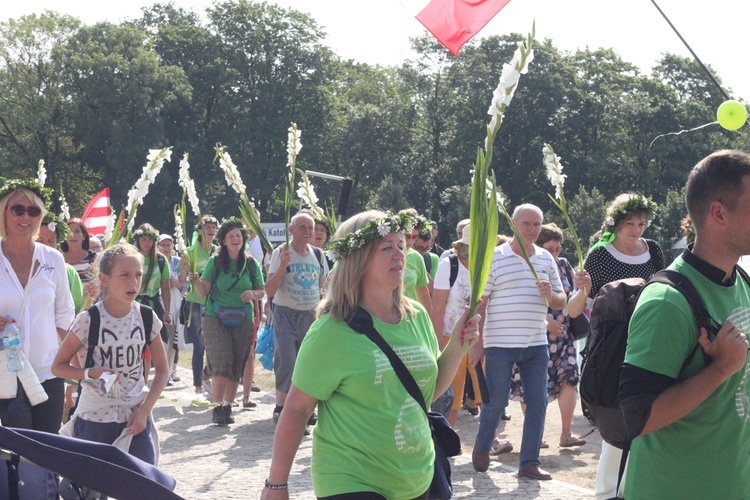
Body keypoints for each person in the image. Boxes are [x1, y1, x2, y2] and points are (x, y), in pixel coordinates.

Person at [261, 210, 479, 499]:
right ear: (358, 260)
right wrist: (276, 484)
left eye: (401, 246)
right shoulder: (331, 331)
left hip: (416, 477)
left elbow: (430, 390)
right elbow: (297, 408)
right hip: (352, 480)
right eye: (386, 248)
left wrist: (459, 343)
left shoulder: (418, 318)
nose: (399, 255)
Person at [618, 150, 750, 498]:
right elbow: (637, 418)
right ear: (719, 213)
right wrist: (721, 368)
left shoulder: (742, 282)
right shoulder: (667, 301)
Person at [576, 192, 663, 499]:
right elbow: (578, 309)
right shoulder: (600, 254)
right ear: (615, 222)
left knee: (647, 412)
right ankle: (607, 491)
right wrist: (581, 288)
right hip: (612, 344)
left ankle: (635, 487)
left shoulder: (652, 249)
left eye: (642, 223)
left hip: (650, 335)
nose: (637, 229)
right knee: (616, 417)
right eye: (630, 223)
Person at [470, 204, 566, 480]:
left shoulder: (547, 258)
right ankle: (483, 443)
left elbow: (560, 301)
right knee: (496, 401)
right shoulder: (495, 257)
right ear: (513, 225)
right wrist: (477, 341)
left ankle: (529, 462)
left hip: (535, 343)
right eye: (526, 224)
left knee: (538, 401)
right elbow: (481, 303)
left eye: (537, 224)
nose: (532, 230)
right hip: (499, 342)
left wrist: (550, 295)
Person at [52, 243, 168, 464]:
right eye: (124, 275)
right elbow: (58, 366)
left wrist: (144, 410)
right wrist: (91, 373)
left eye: (138, 275)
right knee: (94, 490)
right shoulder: (88, 319)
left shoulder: (146, 317)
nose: (133, 282)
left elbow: (162, 370)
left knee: (144, 484)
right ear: (104, 279)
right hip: (95, 418)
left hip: (134, 417)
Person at [0, 178, 75, 433]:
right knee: (14, 454)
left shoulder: (53, 259)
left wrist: (75, 366)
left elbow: (65, 314)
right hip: (4, 374)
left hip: (47, 371)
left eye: (33, 211)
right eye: (17, 209)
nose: (26, 217)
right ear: (4, 212)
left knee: (47, 449)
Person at [508, 223, 591, 448]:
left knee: (570, 378)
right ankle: (537, 434)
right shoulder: (527, 265)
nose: (555, 254)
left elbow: (572, 301)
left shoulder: (564, 266)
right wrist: (546, 322)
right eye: (550, 249)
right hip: (533, 337)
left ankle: (566, 434)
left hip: (564, 338)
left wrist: (582, 290)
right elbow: (519, 301)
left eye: (558, 249)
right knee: (531, 386)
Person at [193, 218, 265, 425]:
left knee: (237, 362)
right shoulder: (214, 262)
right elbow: (203, 291)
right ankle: (217, 406)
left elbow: (262, 291)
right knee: (222, 359)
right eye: (231, 235)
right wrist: (195, 281)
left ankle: (227, 406)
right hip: (215, 317)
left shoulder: (251, 263)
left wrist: (253, 293)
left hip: (243, 318)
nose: (236, 238)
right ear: (223, 241)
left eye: (239, 235)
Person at [265, 212, 328, 424]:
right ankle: (281, 407)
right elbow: (270, 289)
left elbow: (323, 287)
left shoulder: (318, 255)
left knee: (308, 363)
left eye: (310, 228)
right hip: (285, 315)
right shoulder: (280, 252)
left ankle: (306, 408)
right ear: (291, 230)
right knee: (286, 360)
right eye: (302, 227)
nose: (307, 232)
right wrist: (282, 266)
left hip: (310, 316)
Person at [431, 224, 485, 427]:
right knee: (452, 395)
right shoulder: (449, 265)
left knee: (485, 391)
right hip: (449, 337)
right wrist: (438, 345)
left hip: (477, 338)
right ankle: (448, 438)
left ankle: (491, 440)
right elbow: (438, 308)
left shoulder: (485, 267)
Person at [178, 215, 218, 394]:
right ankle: (198, 386)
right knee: (200, 346)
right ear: (199, 231)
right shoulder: (190, 250)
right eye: (207, 227)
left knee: (215, 346)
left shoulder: (218, 251)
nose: (211, 230)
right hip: (195, 302)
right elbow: (181, 280)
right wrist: (186, 268)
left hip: (214, 302)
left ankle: (207, 376)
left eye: (213, 227)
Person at [133, 223, 171, 384]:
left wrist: (167, 311)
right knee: (136, 342)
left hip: (153, 304)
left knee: (154, 341)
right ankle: (138, 376)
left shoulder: (161, 260)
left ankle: (152, 377)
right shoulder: (133, 258)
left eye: (149, 239)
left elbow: (165, 287)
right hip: (134, 303)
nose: (146, 242)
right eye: (143, 239)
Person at [156, 234, 184, 383]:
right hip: (159, 301)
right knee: (161, 338)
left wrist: (175, 283)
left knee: (173, 337)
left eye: (169, 245)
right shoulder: (157, 262)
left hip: (175, 302)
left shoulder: (178, 262)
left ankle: (170, 371)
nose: (166, 248)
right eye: (163, 245)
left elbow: (184, 285)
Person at [398, 208, 432, 316]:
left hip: (409, 316)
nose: (410, 241)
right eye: (407, 236)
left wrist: (428, 325)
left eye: (415, 237)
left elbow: (423, 294)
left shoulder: (416, 257)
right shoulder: (382, 254)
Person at [61, 217, 96, 283]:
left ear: (84, 236)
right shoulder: (59, 260)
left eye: (77, 232)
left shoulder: (94, 258)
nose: (73, 235)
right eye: (69, 231)